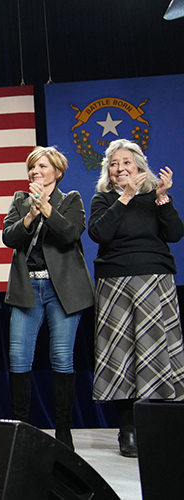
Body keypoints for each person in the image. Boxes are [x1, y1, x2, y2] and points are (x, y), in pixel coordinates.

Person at [88, 138, 184, 457]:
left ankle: (157, 429)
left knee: (155, 356)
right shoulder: (103, 200)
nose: (120, 168)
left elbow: (174, 234)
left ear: (140, 166)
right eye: (114, 164)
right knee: (121, 359)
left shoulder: (154, 198)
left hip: (155, 279)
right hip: (115, 283)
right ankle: (127, 431)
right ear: (108, 171)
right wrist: (125, 198)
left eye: (126, 162)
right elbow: (99, 233)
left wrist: (163, 200)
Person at [2, 146, 94, 450]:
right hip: (28, 288)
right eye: (31, 167)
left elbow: (70, 234)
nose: (35, 172)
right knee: (18, 357)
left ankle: (63, 431)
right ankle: (22, 428)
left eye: (41, 166)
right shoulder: (20, 200)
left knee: (62, 357)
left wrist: (47, 210)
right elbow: (9, 238)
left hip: (62, 291)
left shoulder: (71, 200)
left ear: (56, 171)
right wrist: (30, 214)